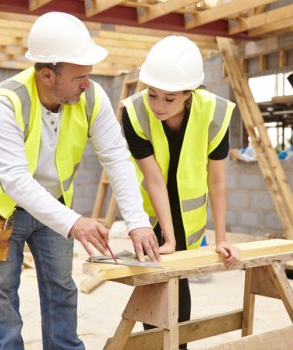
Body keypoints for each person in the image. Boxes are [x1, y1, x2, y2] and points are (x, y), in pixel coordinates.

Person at [0, 12, 160, 350]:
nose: (87, 83)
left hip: (52, 206)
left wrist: (138, 222)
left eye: (88, 75)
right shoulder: (3, 103)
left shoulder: (91, 97)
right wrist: (75, 223)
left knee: (61, 289)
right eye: (79, 76)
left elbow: (116, 157)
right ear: (48, 74)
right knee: (2, 300)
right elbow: (15, 181)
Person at [122, 35, 239, 350]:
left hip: (190, 217)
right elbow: (154, 179)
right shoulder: (134, 113)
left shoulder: (215, 113)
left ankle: (178, 346)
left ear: (190, 93)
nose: (158, 106)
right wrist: (168, 239)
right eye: (152, 94)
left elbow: (216, 180)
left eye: (169, 98)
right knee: (156, 280)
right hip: (151, 211)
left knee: (180, 279)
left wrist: (222, 238)